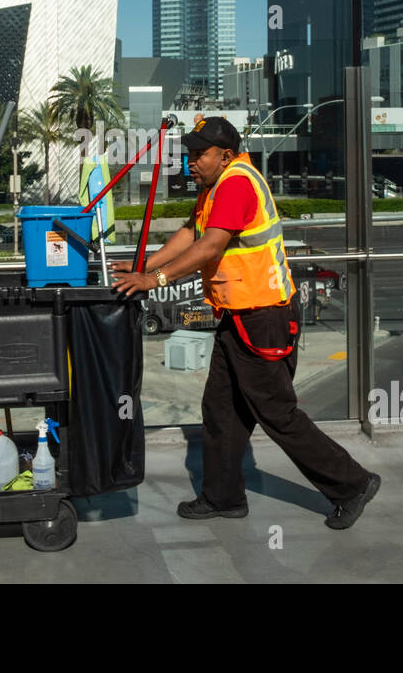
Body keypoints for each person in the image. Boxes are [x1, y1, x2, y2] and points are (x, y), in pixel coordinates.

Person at [112, 116, 380, 530]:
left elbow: (212, 245)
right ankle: (224, 497)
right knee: (221, 410)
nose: (192, 162)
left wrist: (154, 280)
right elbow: (191, 232)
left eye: (200, 154)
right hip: (237, 317)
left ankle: (352, 484)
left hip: (264, 317)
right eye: (190, 154)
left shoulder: (236, 183)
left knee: (278, 414)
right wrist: (143, 265)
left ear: (226, 154)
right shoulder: (214, 187)